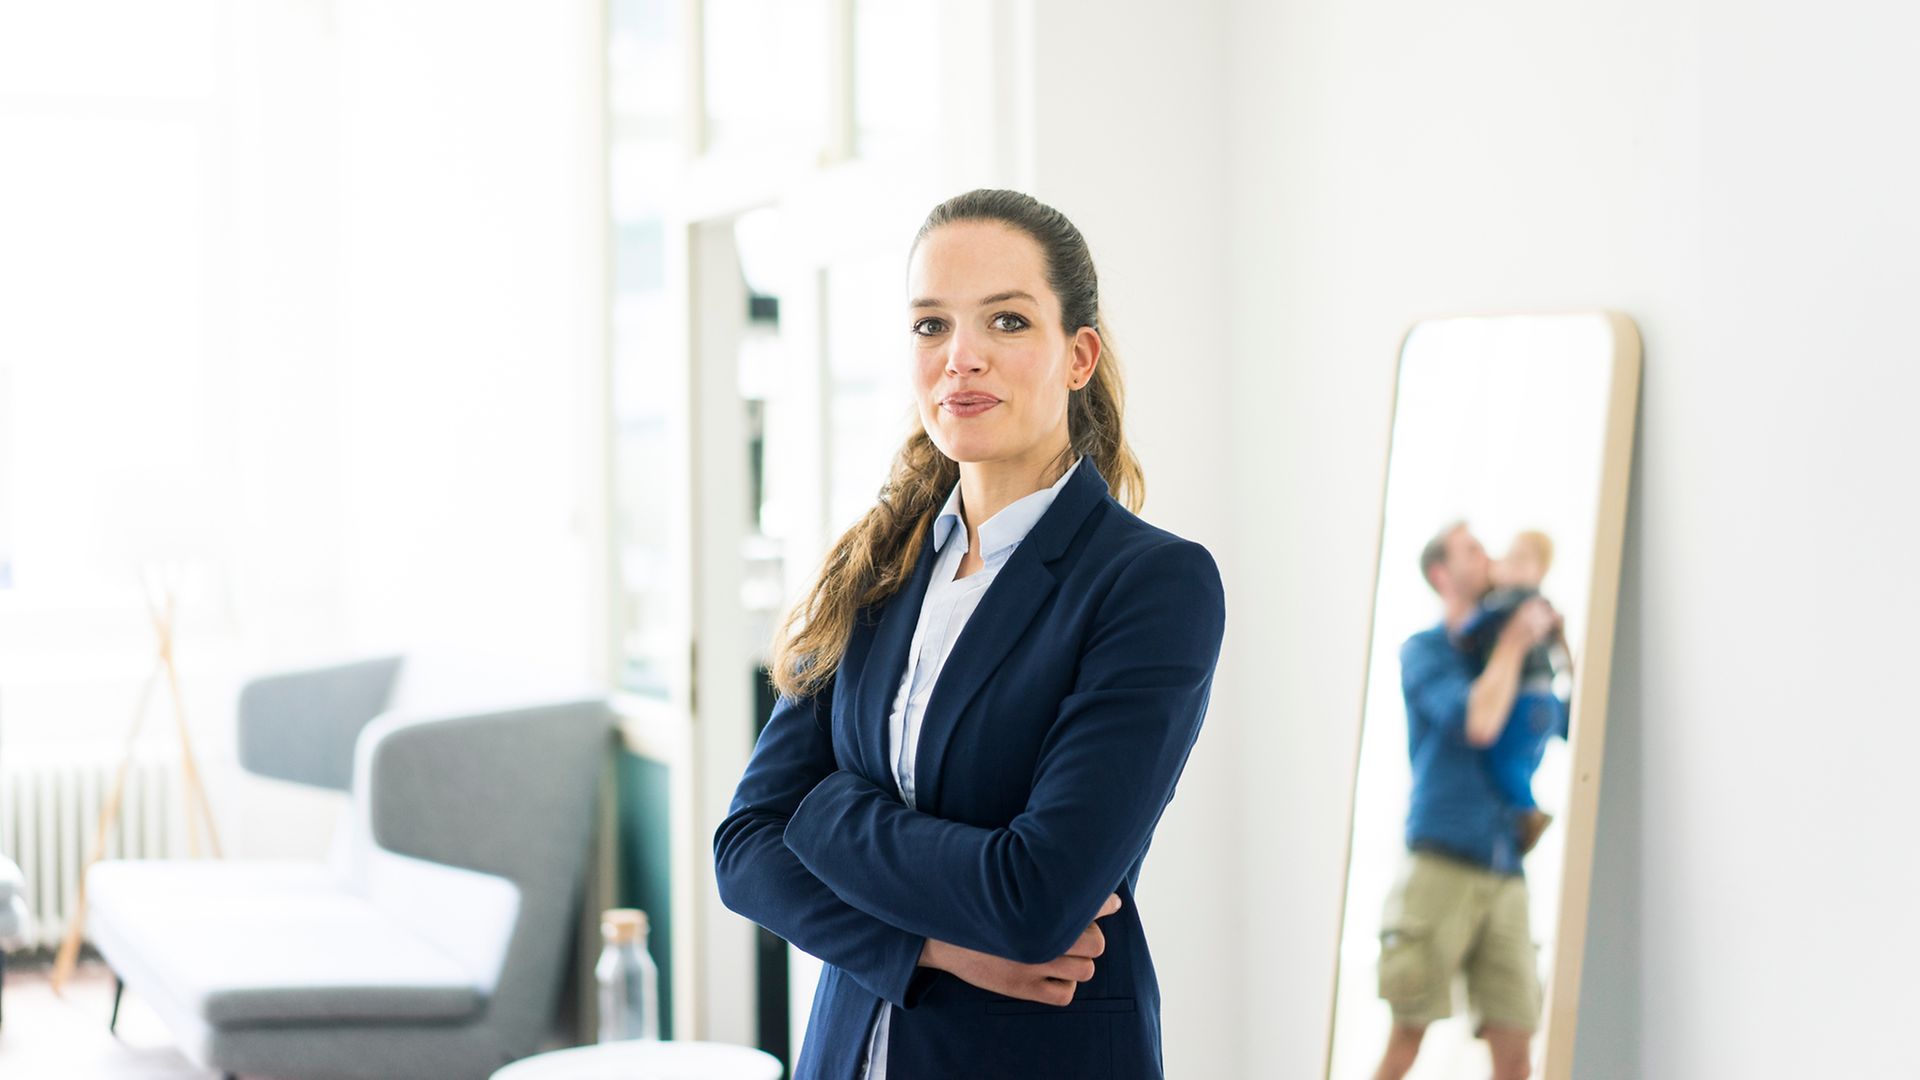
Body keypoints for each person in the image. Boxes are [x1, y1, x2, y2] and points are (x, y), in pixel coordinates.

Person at [713, 189, 1226, 1080]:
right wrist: (934, 949)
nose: (962, 358)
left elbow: (1035, 896)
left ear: (1078, 356)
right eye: (930, 326)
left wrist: (830, 811)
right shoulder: (877, 567)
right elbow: (747, 847)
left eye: (1007, 320)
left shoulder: (1150, 584)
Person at [1373, 522, 1566, 1080]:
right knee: (1406, 1040)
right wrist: (1514, 643)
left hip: (1506, 865)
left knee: (1516, 1051)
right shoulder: (1424, 652)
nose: (1489, 558)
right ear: (1442, 574)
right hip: (1441, 860)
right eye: (1473, 550)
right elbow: (1480, 722)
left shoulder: (1499, 646)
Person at [1451, 530, 1571, 854]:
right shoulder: (1544, 608)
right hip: (1548, 701)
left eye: (1519, 560)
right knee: (1524, 758)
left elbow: (1481, 620)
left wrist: (1466, 633)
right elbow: (1561, 649)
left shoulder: (1511, 602)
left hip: (1525, 699)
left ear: (1540, 571)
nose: (1506, 566)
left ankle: (1528, 810)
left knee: (1504, 761)